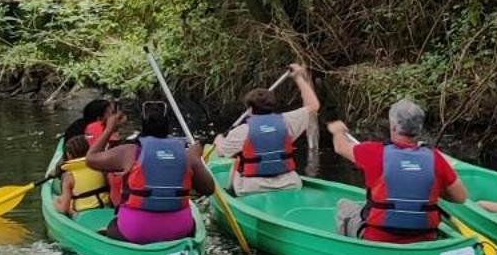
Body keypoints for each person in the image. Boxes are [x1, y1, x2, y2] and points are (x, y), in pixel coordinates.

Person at [328, 99, 470, 242]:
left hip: (378, 237)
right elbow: (461, 197)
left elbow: (340, 147)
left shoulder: (374, 152)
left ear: (394, 127)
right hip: (424, 237)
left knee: (343, 206)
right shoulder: (435, 158)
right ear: (419, 129)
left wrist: (338, 131)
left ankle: (357, 251)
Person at [86, 100, 215, 244]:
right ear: (168, 127)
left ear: (143, 126)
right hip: (179, 230)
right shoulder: (187, 155)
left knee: (112, 227)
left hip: (137, 231)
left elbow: (91, 159)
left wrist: (110, 128)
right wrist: (196, 158)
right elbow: (208, 189)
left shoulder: (129, 152)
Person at [214, 63, 321, 195]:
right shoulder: (287, 121)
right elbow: (313, 105)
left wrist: (219, 141)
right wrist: (299, 78)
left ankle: (229, 194)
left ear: (250, 109)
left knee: (237, 161)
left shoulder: (241, 131)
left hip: (251, 188)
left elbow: (221, 153)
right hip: (290, 183)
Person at [55, 98, 116, 218]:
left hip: (83, 212)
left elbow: (62, 209)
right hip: (104, 208)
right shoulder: (101, 169)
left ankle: (74, 213)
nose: (113, 116)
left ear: (69, 155)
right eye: (110, 113)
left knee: (61, 200)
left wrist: (56, 203)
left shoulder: (69, 177)